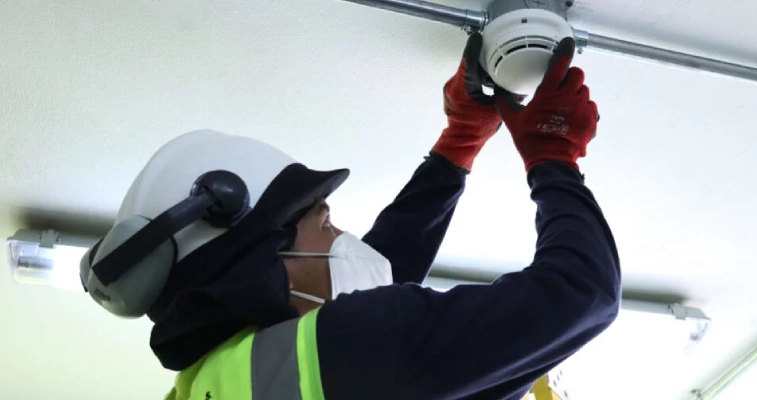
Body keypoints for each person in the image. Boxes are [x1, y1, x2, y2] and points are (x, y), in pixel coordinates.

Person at [79, 34, 620, 400]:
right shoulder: (327, 356)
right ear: (264, 266)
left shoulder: (220, 379)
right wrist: (553, 160)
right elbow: (582, 291)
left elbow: (380, 294)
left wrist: (457, 148)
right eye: (326, 226)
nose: (344, 241)